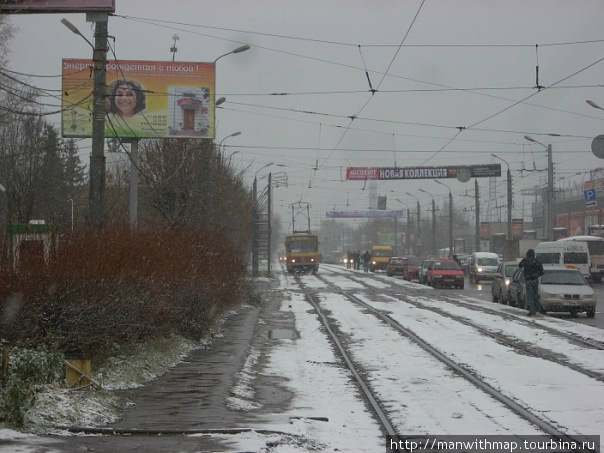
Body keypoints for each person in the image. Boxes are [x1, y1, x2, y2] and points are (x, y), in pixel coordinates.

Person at [518, 249, 544, 316]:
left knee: (530, 295)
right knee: (535, 295)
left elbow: (520, 265)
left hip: (528, 280)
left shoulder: (526, 261)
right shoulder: (537, 261)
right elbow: (542, 272)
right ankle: (536, 309)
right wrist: (537, 275)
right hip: (535, 280)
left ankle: (531, 310)